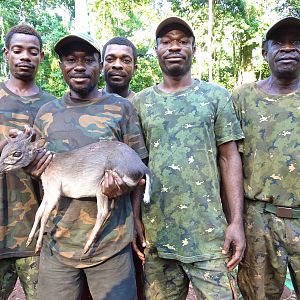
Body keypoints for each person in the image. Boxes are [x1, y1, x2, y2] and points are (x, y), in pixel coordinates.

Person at [133, 17, 245, 300]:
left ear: (194, 49)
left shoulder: (216, 96)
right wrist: (135, 218)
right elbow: (135, 167)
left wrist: (236, 222)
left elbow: (229, 159)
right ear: (156, 50)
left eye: (183, 42)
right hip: (157, 237)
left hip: (210, 237)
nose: (175, 47)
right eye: (167, 42)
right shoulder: (140, 102)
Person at [33, 32, 148, 300]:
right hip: (58, 244)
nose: (79, 66)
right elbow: (39, 168)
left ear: (100, 65)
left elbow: (139, 167)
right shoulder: (46, 113)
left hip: (111, 245)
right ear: (61, 65)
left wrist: (134, 218)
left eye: (88, 60)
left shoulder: (121, 109)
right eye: (70, 59)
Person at [232, 16, 300, 300]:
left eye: (296, 43)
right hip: (258, 220)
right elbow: (228, 161)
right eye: (279, 43)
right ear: (264, 51)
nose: (288, 49)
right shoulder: (241, 98)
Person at [0, 24, 55, 299]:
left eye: (33, 52)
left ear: (41, 57)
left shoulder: (53, 106)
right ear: (6, 53)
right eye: (18, 50)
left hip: (36, 235)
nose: (25, 57)